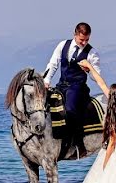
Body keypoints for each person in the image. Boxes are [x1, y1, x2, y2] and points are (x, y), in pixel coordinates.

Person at [43, 23, 101, 155]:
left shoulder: (92, 53)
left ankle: (75, 141)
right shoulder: (63, 45)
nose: (84, 42)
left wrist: (89, 69)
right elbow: (53, 64)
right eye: (82, 40)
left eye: (87, 40)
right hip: (61, 85)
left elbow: (96, 75)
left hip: (78, 87)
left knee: (70, 108)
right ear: (75, 35)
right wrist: (47, 80)